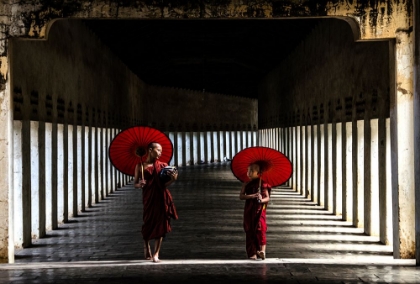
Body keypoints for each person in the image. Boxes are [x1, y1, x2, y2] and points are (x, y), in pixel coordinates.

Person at [134, 142, 178, 263]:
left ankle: (156, 253)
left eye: (161, 151)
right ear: (150, 150)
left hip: (161, 197)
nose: (160, 153)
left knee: (161, 223)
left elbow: (164, 184)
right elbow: (135, 184)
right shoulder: (140, 166)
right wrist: (140, 184)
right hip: (148, 198)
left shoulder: (163, 166)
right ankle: (146, 244)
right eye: (158, 150)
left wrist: (173, 180)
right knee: (148, 221)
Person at [239, 162, 271, 260]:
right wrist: (252, 196)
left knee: (260, 229)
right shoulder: (246, 183)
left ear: (259, 173)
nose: (249, 172)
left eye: (252, 170)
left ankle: (262, 251)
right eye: (248, 170)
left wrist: (261, 200)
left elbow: (267, 198)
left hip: (259, 210)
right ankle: (252, 252)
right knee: (250, 230)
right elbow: (241, 196)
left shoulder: (263, 183)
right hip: (249, 210)